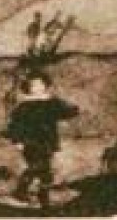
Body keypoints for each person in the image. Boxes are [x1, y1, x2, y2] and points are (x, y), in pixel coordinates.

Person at [5, 73, 79, 209]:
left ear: (46, 85)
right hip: (29, 142)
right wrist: (17, 142)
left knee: (45, 172)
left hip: (48, 142)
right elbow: (14, 125)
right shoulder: (24, 106)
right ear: (28, 87)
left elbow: (68, 112)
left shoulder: (51, 102)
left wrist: (69, 107)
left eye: (40, 84)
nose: (38, 87)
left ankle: (41, 198)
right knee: (37, 167)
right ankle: (22, 191)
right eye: (34, 85)